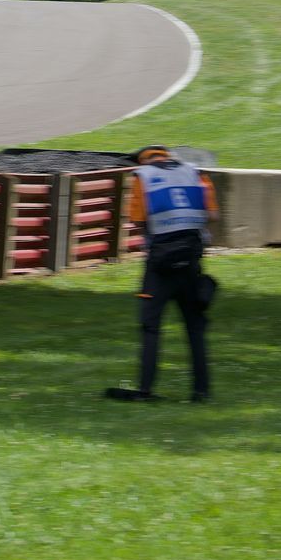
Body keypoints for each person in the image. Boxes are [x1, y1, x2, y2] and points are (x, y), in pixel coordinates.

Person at [105, 145, 218, 403]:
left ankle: (146, 389)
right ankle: (201, 391)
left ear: (143, 160)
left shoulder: (142, 177)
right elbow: (212, 214)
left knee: (151, 328)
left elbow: (137, 219)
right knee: (195, 328)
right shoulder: (195, 173)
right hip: (191, 262)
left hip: (159, 266)